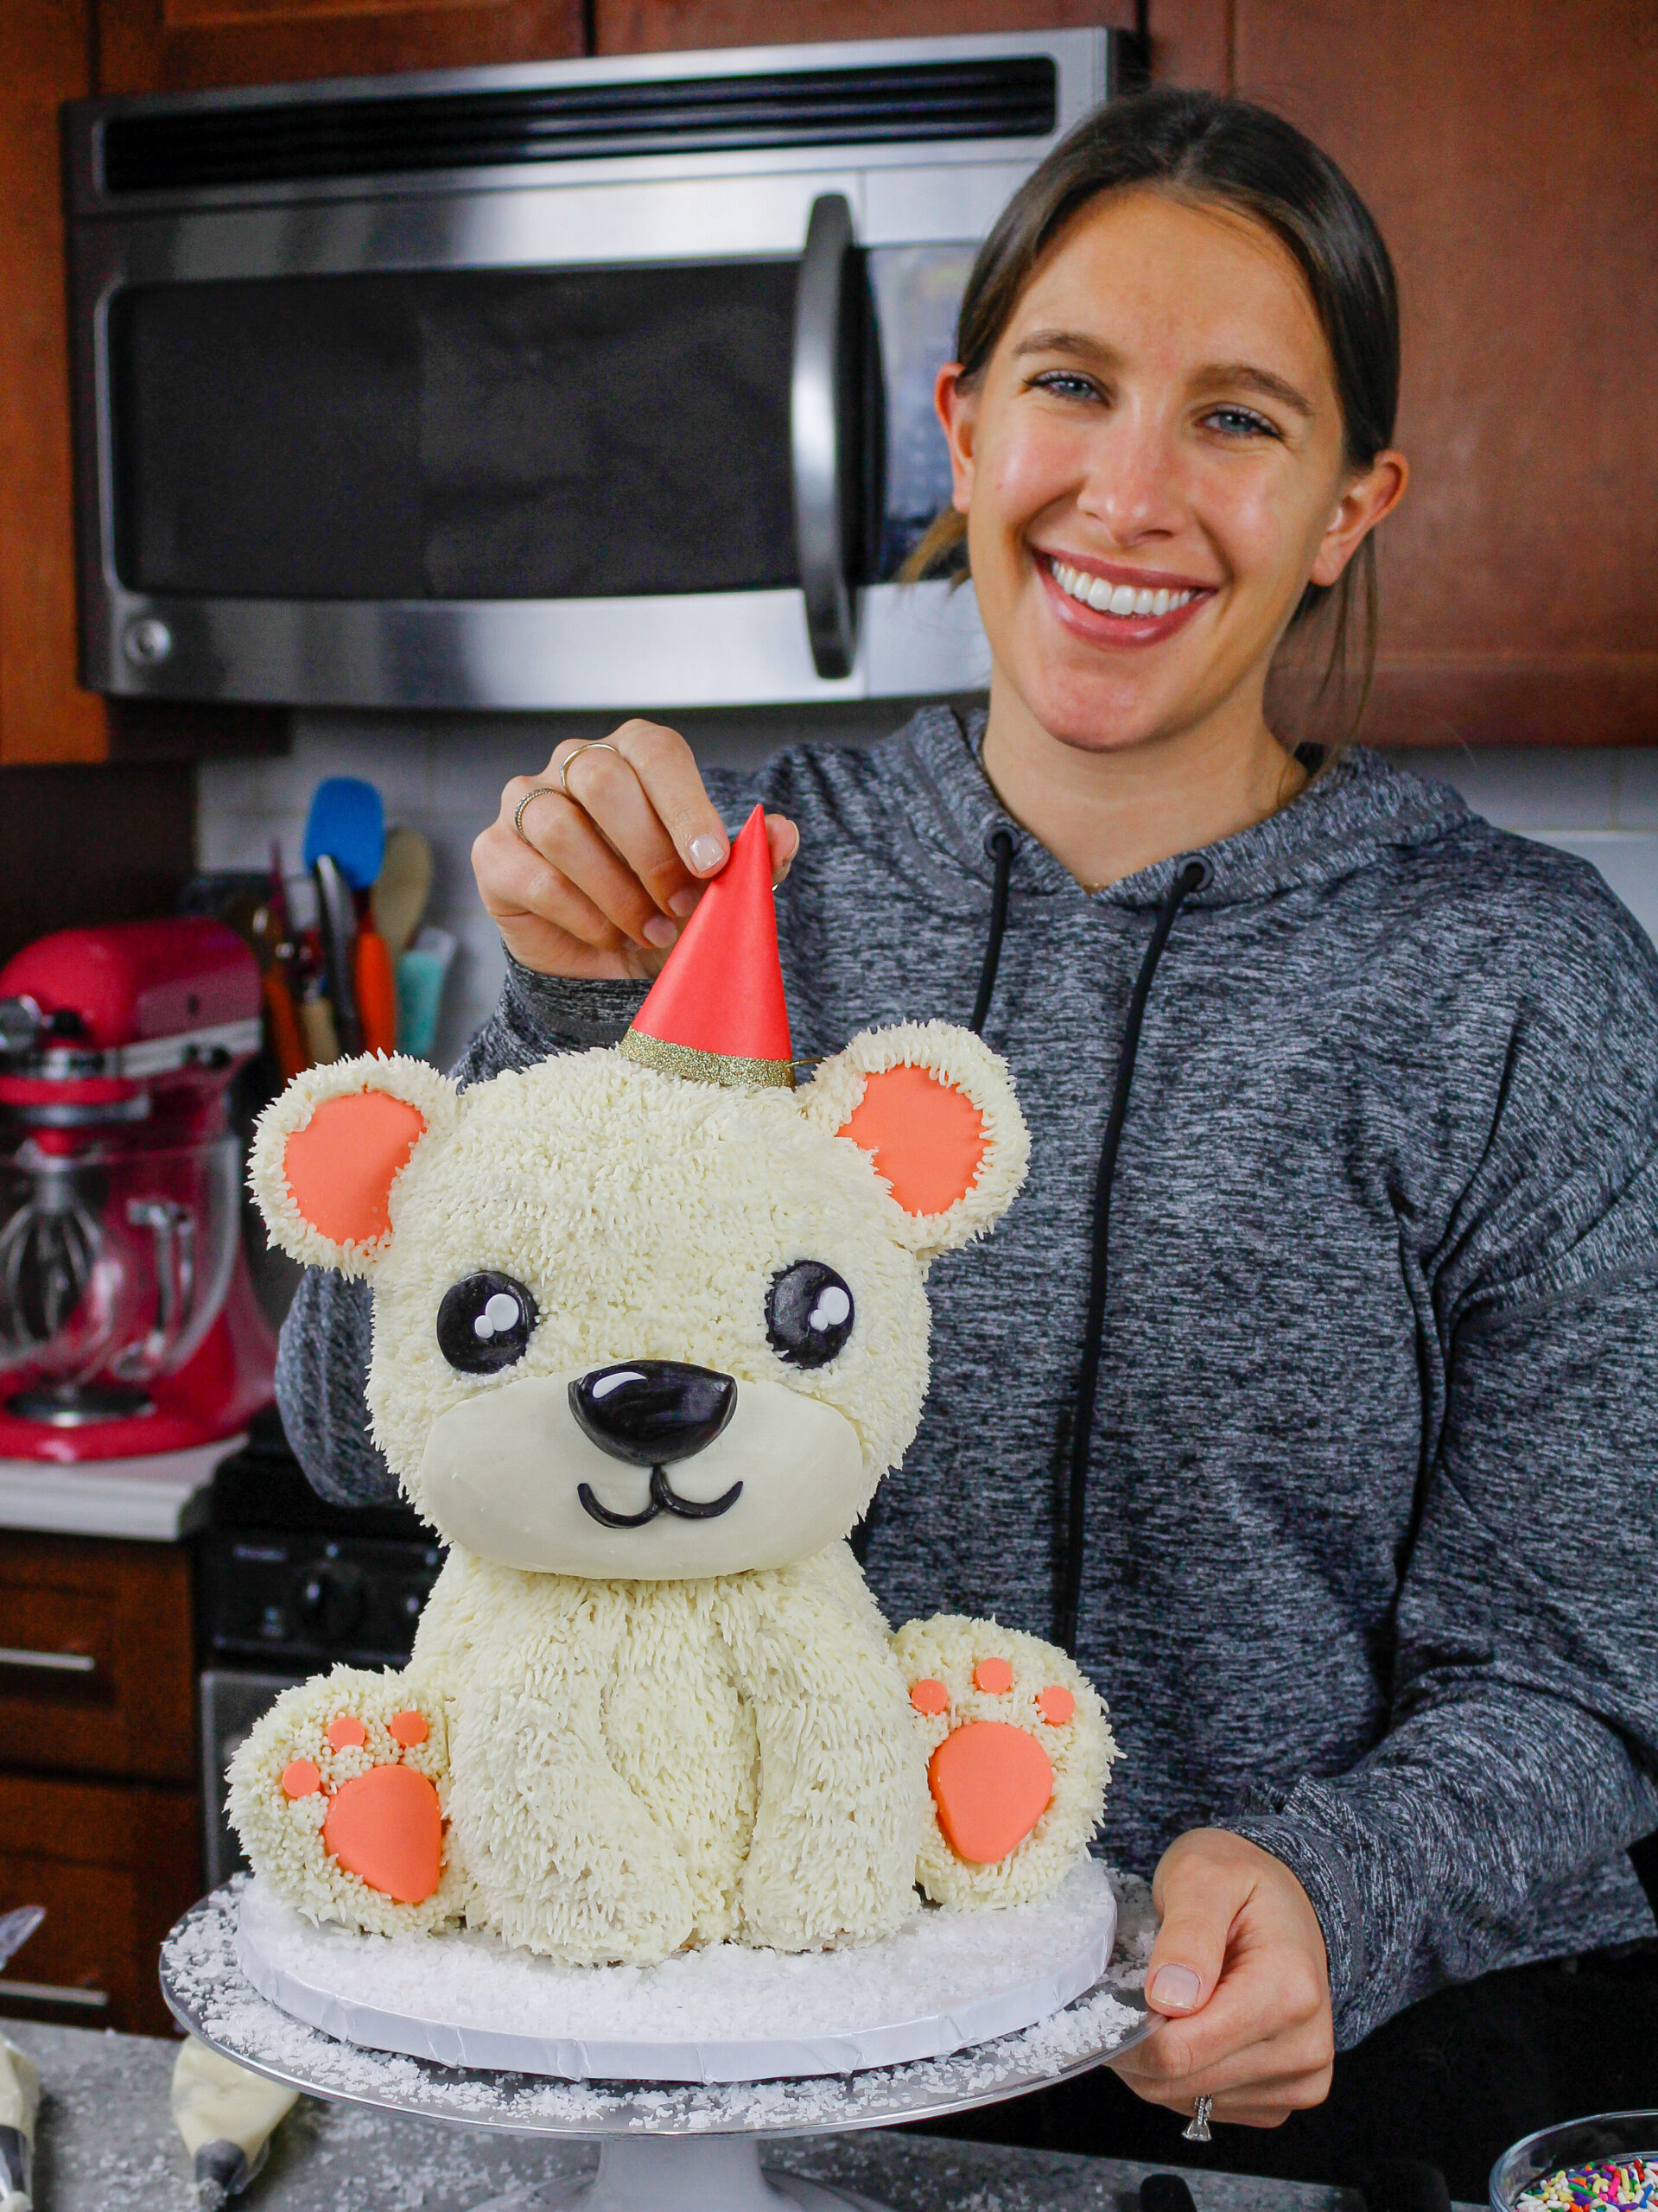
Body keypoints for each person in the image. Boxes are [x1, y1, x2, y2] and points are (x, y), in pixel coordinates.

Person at [276, 89, 1658, 2196]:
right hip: (820, 2100)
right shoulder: (723, 895)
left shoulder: (1519, 983)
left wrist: (1331, 1890)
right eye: (1073, 386)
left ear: (1352, 505)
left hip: (1352, 2092)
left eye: (1240, 419)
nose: (1129, 490)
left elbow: (1579, 1674)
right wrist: (567, 1018)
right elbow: (349, 1430)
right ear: (962, 422)